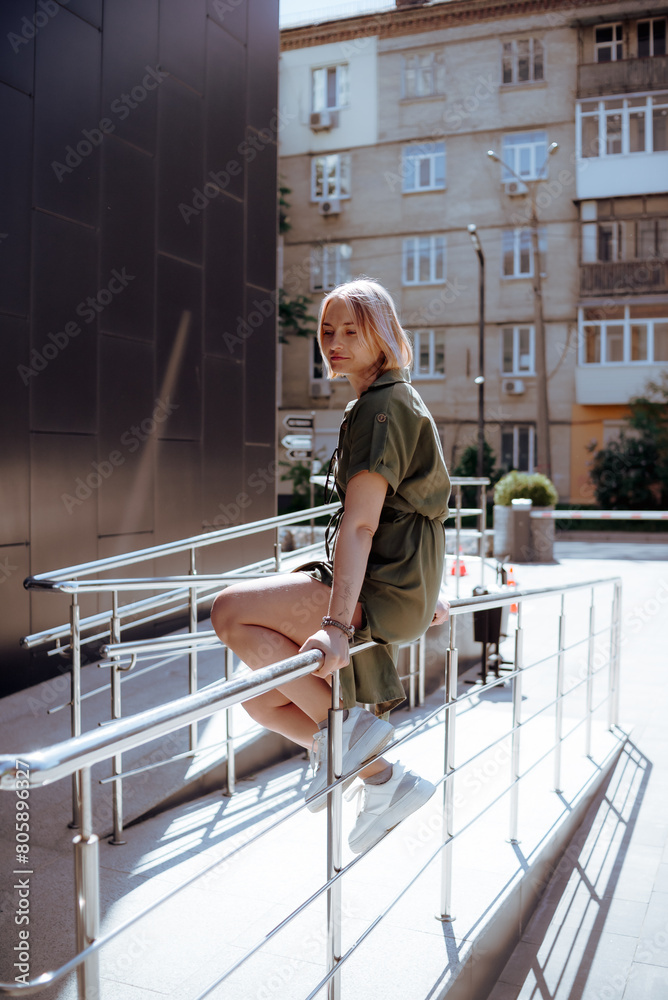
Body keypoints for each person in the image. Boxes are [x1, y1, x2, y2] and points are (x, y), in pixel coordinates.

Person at [211, 277, 451, 854]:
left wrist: (338, 626)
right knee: (260, 696)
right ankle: (382, 779)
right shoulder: (384, 401)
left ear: (383, 333)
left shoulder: (384, 407)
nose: (334, 341)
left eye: (351, 329)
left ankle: (346, 736)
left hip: (383, 593)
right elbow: (414, 510)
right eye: (326, 331)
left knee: (229, 612)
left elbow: (364, 523)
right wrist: (428, 591)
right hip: (398, 589)